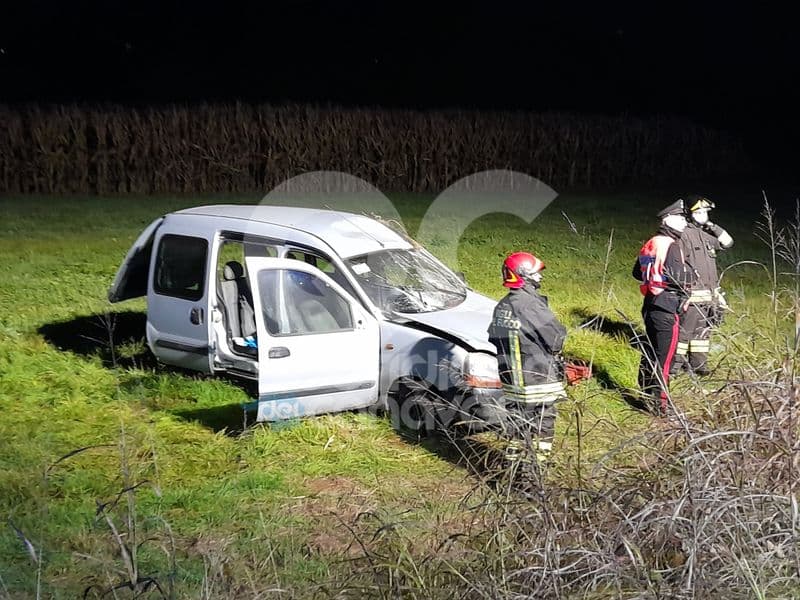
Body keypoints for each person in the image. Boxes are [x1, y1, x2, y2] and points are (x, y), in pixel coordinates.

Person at [488, 251, 567, 460]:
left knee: (517, 425)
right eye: (536, 273)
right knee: (543, 422)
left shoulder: (502, 305)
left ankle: (512, 466)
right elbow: (556, 339)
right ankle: (536, 469)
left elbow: (493, 338)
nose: (540, 276)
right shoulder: (530, 305)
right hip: (536, 378)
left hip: (511, 380)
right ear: (523, 274)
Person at [632, 200, 693, 415]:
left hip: (650, 303)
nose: (685, 223)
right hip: (667, 306)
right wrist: (691, 277)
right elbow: (677, 277)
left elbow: (637, 273)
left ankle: (645, 394)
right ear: (669, 220)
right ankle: (660, 406)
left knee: (650, 352)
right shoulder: (671, 245)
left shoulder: (652, 242)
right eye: (681, 219)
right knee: (665, 359)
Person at [673, 194, 734, 375]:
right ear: (689, 213)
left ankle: (698, 366)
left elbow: (728, 242)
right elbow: (678, 263)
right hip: (693, 295)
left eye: (705, 212)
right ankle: (674, 367)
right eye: (698, 212)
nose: (702, 215)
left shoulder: (705, 234)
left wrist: (712, 226)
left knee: (702, 333)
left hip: (710, 295)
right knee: (684, 333)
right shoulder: (683, 234)